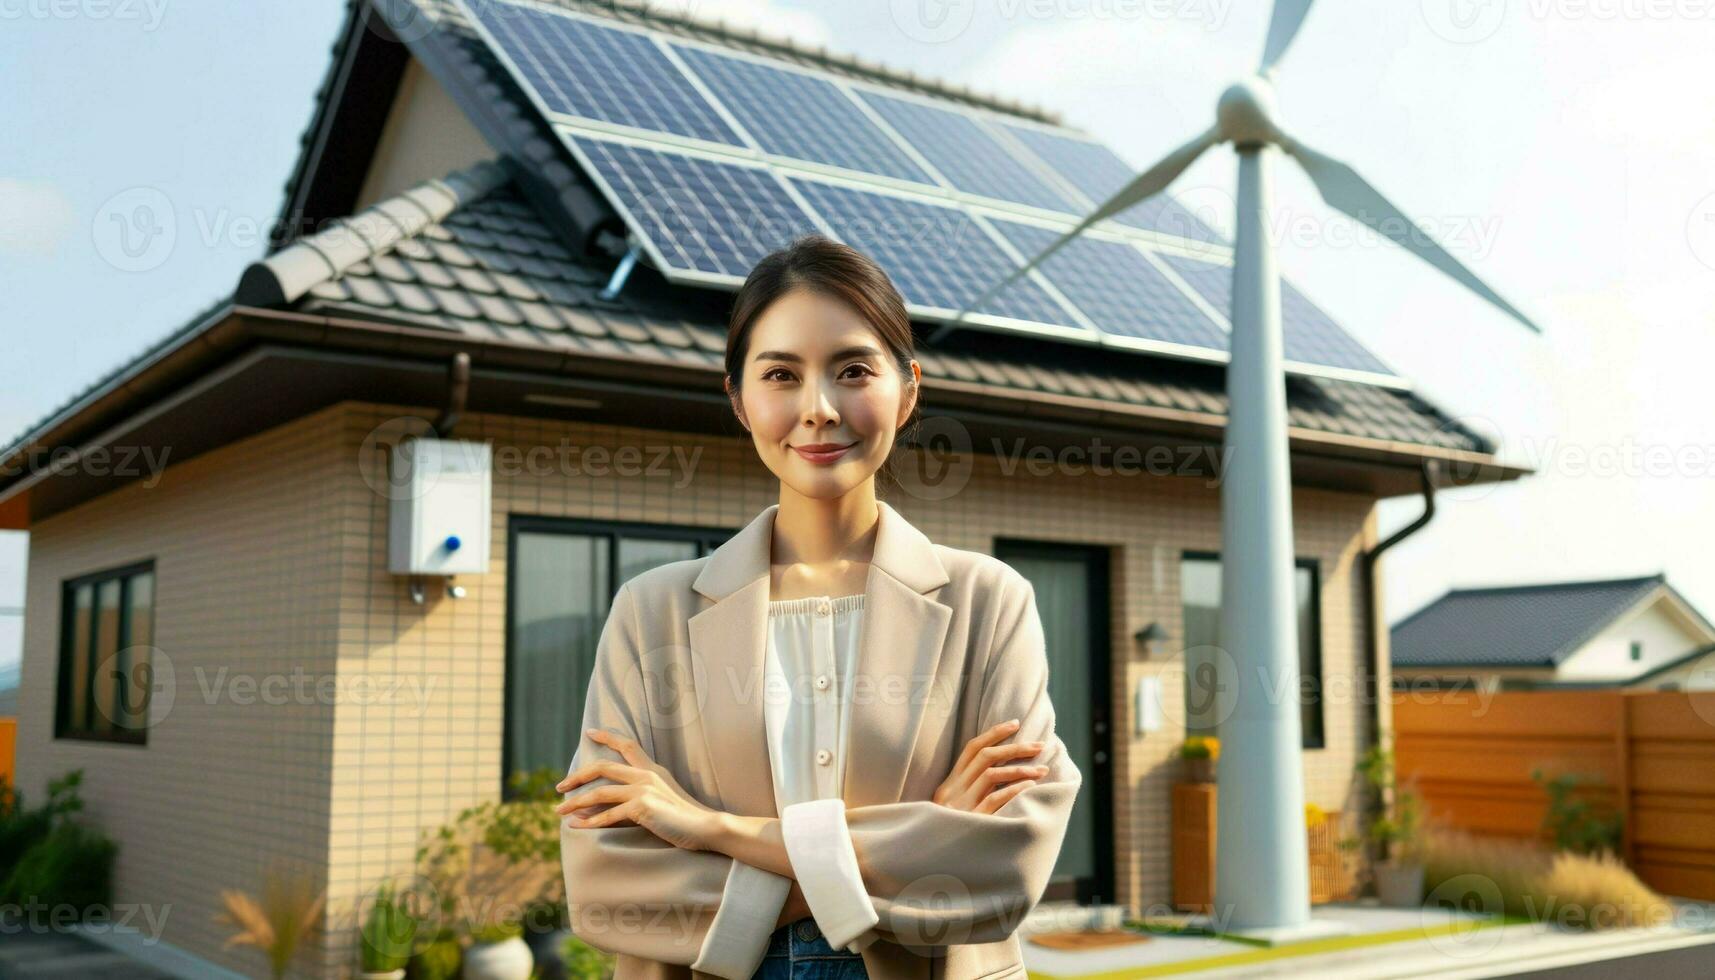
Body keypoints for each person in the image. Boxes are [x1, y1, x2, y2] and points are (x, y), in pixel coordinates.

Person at [554, 234, 1082, 980]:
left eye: (853, 370)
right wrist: (920, 837)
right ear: (738, 399)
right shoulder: (650, 612)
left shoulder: (988, 603)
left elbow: (1002, 866)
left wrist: (707, 828)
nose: (819, 409)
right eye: (781, 374)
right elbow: (608, 885)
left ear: (909, 389)